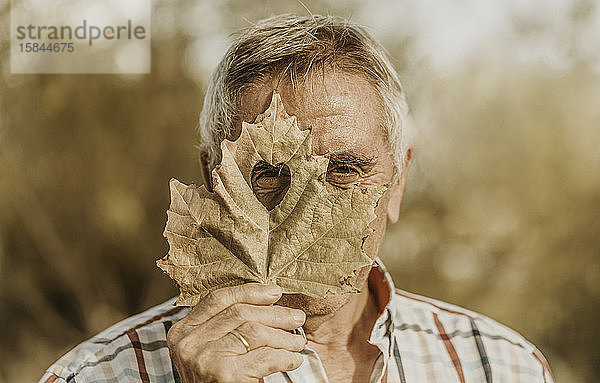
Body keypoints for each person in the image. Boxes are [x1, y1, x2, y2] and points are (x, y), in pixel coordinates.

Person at [40, 14, 554, 383]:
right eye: (270, 172)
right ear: (214, 180)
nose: (308, 208)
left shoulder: (504, 367)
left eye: (345, 169)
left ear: (397, 181)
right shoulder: (91, 376)